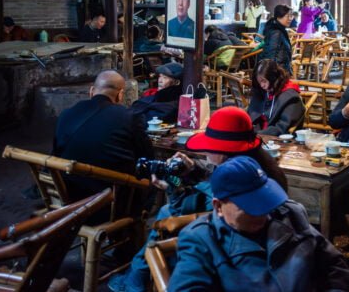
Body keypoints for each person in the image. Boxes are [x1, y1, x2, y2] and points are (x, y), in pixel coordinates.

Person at [108, 106, 288, 292]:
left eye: (210, 148)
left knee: (166, 213)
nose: (206, 153)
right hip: (261, 238)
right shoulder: (260, 165)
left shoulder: (233, 188)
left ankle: (135, 278)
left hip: (234, 243)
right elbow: (215, 176)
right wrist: (193, 168)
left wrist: (173, 189)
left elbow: (186, 209)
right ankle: (135, 277)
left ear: (222, 150)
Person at [168, 156, 349, 292]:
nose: (262, 212)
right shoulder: (201, 240)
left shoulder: (289, 215)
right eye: (250, 205)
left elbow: (334, 267)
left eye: (265, 201)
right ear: (218, 206)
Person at [53, 70, 152, 201]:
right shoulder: (130, 117)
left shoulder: (67, 114)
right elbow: (147, 156)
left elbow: (57, 150)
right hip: (110, 200)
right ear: (120, 95)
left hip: (68, 194)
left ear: (92, 91)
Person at [247, 59, 305, 136]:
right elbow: (252, 112)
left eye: (264, 81)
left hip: (273, 138)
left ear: (273, 78)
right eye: (259, 82)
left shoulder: (291, 98)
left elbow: (282, 128)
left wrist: (255, 134)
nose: (262, 85)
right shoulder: (266, 90)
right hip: (259, 131)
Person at [261, 4, 294, 74]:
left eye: (291, 16)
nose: (290, 18)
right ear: (279, 17)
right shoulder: (276, 32)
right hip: (278, 73)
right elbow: (271, 55)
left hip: (282, 71)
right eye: (288, 16)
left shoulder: (280, 30)